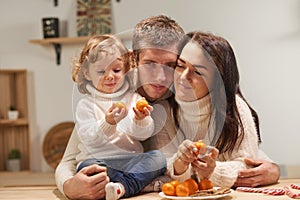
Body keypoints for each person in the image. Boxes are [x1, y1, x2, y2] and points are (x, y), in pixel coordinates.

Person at [55, 15, 279, 199]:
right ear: (134, 61)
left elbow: (236, 141)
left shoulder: (182, 92)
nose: (161, 77)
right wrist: (69, 186)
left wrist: (269, 166)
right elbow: (70, 157)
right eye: (150, 63)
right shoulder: (112, 94)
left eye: (171, 65)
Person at [168, 31, 279, 188]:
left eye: (198, 72)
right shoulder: (166, 106)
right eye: (180, 66)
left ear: (217, 80)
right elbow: (160, 163)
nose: (183, 76)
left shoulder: (235, 109)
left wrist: (212, 171)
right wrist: (179, 165)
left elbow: (248, 164)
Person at [71, 34, 167, 200]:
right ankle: (135, 185)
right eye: (101, 71)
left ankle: (122, 186)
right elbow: (89, 138)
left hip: (130, 160)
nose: (110, 76)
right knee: (88, 169)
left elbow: (142, 134)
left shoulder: (133, 98)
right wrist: (108, 123)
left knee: (158, 158)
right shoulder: (86, 105)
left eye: (116, 70)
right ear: (87, 73)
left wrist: (140, 119)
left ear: (125, 69)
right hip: (99, 161)